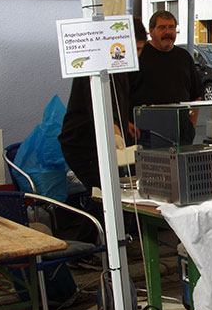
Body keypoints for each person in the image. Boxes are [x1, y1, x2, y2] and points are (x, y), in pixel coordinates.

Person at [58, 18, 146, 193]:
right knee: (105, 195)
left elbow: (114, 103)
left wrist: (123, 123)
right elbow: (100, 108)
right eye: (131, 49)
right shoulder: (98, 70)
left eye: (139, 49)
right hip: (82, 145)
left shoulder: (121, 67)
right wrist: (116, 134)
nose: (134, 56)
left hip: (97, 142)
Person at [129, 10, 203, 146]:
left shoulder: (184, 56)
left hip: (181, 133)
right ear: (151, 31)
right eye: (162, 27)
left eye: (171, 27)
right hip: (145, 134)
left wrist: (191, 124)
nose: (168, 32)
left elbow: (196, 95)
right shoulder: (139, 55)